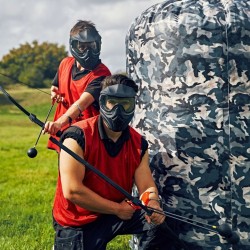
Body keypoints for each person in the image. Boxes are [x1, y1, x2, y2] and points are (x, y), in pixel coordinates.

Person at [52, 74, 165, 250]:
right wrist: (117, 209)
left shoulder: (138, 143)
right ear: (102, 102)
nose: (118, 110)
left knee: (161, 225)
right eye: (112, 102)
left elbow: (147, 187)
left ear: (133, 106)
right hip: (78, 222)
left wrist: (153, 203)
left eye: (125, 104)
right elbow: (73, 191)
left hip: (116, 214)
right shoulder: (77, 137)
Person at [44, 20, 111, 152]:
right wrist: (54, 92)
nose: (88, 51)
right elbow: (56, 86)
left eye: (92, 46)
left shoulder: (101, 74)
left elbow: (82, 103)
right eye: (82, 46)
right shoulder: (65, 64)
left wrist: (59, 123)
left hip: (88, 137)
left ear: (98, 45)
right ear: (73, 45)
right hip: (64, 133)